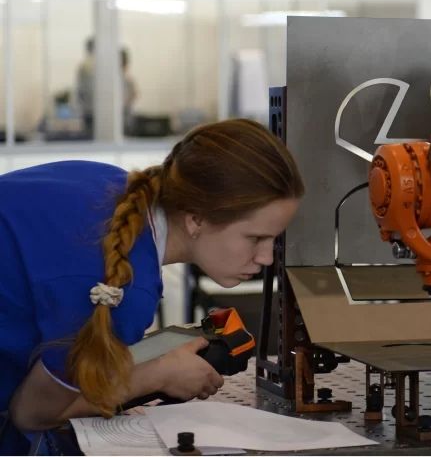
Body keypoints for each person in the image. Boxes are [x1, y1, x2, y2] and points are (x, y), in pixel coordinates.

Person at [0, 119, 304, 454]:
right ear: (196, 219)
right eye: (255, 238)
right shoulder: (119, 290)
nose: (266, 257)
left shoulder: (105, 182)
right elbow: (32, 414)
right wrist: (157, 376)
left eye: (273, 239)